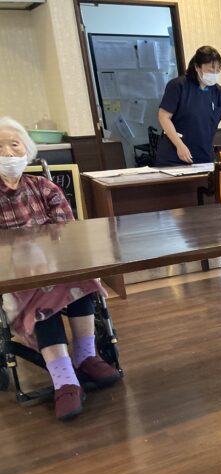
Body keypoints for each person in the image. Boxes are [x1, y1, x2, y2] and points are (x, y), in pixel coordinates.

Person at [0, 117, 121, 421]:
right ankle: (64, 378)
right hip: (15, 280)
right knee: (44, 289)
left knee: (78, 274)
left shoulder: (44, 187)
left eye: (14, 145)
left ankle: (86, 355)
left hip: (53, 267)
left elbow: (69, 234)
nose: (8, 153)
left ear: (27, 150)